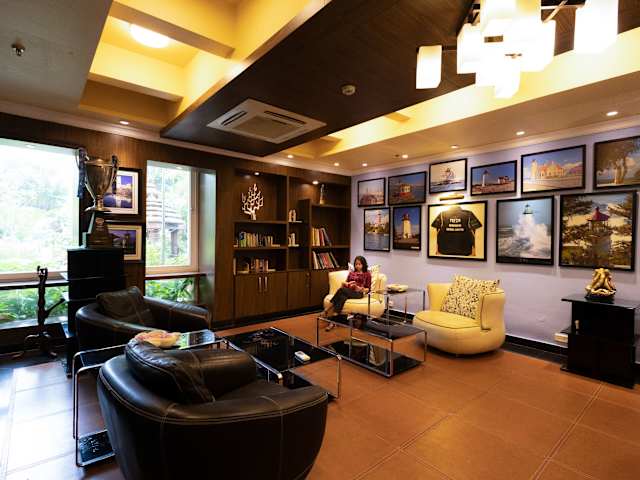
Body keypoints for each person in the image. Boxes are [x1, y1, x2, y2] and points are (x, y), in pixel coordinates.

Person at [323, 256, 371, 329]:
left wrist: (361, 289)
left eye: (359, 264)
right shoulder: (352, 273)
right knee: (342, 297)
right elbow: (345, 283)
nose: (357, 266)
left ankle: (327, 309)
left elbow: (368, 289)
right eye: (356, 264)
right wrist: (347, 284)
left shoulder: (367, 274)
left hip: (358, 293)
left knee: (341, 290)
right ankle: (333, 322)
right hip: (348, 291)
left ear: (363, 264)